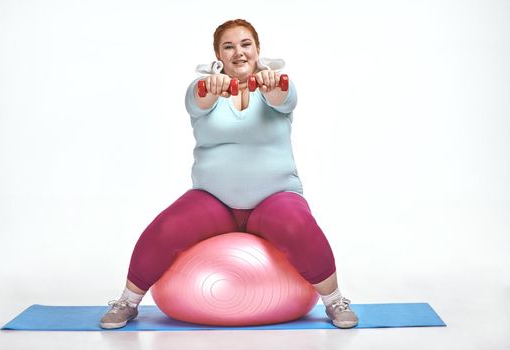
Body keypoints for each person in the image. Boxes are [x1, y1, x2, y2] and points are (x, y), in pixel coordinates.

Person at [99, 19, 358, 329]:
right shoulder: (202, 88)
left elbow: (282, 98)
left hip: (275, 197)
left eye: (246, 44)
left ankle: (335, 301)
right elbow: (199, 99)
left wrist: (273, 87)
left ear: (258, 49)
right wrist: (211, 88)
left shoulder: (278, 84)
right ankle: (127, 302)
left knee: (297, 224)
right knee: (168, 227)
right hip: (214, 199)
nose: (239, 52)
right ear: (218, 55)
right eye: (229, 46)